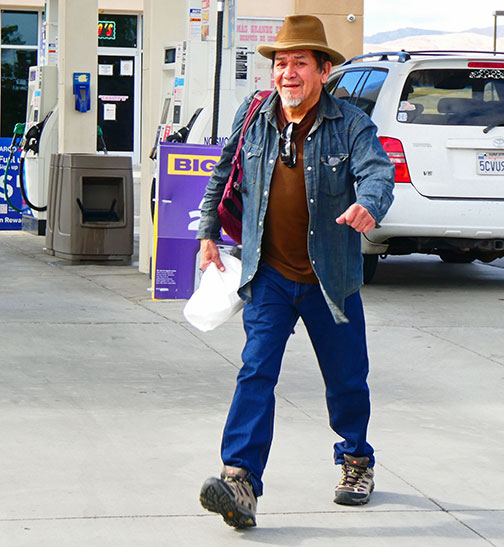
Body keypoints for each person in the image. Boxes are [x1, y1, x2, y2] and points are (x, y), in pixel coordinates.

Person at [197, 14, 395, 529]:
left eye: (299, 63)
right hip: (268, 276)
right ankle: (239, 480)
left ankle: (356, 460)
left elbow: (376, 171)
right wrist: (207, 235)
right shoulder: (254, 114)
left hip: (332, 280)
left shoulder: (350, 123)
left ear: (323, 70)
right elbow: (222, 173)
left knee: (347, 381)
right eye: (281, 63)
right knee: (255, 372)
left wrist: (368, 205)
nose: (287, 73)